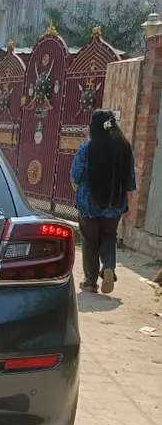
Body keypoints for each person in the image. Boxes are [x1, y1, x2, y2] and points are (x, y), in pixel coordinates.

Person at [70, 109, 136, 294]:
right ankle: (108, 267)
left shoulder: (87, 148)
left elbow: (75, 176)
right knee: (109, 236)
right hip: (115, 203)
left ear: (93, 126)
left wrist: (78, 189)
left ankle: (90, 283)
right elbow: (130, 181)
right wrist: (127, 205)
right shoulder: (125, 147)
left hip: (88, 203)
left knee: (90, 240)